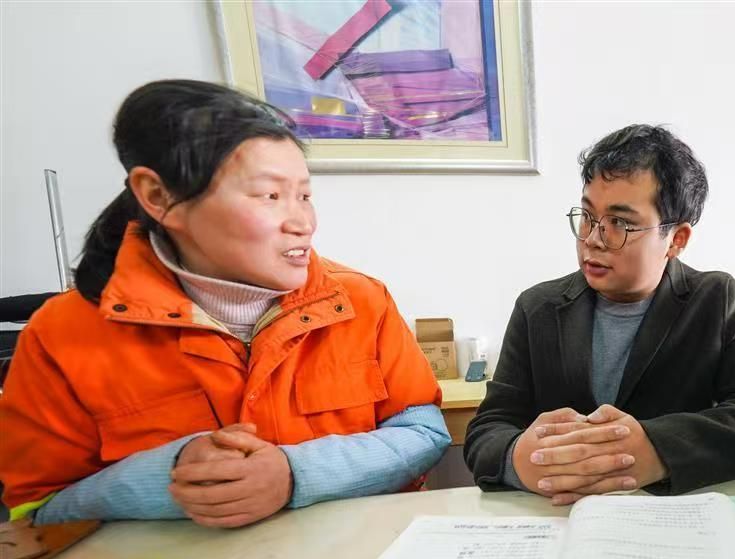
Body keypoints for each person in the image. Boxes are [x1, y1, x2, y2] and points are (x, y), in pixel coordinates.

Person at [0, 80, 450, 528]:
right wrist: (174, 475)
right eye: (270, 196)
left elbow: (423, 432)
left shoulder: (360, 300)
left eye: (304, 195)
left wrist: (295, 474)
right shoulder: (60, 334)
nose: (302, 222)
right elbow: (36, 510)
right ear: (158, 197)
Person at [465, 125, 735, 504]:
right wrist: (519, 458)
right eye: (588, 217)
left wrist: (657, 449)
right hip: (558, 516)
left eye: (620, 223)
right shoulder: (537, 307)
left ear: (676, 239)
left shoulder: (715, 299)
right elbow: (487, 429)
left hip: (672, 512)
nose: (593, 239)